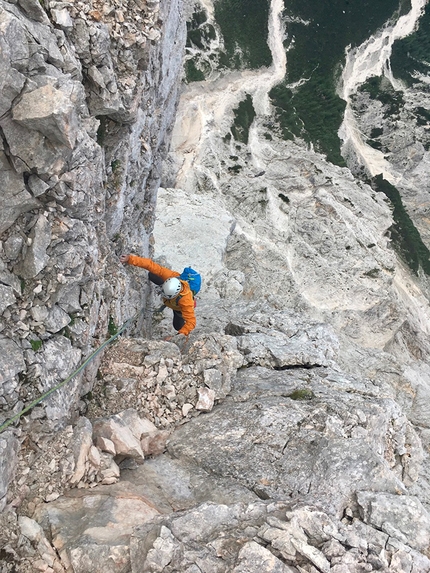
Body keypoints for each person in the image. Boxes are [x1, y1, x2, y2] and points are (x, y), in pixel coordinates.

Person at [120, 254, 196, 339]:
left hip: (178, 308)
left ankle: (181, 334)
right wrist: (130, 259)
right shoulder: (171, 276)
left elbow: (191, 322)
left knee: (178, 326)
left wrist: (176, 337)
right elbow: (150, 265)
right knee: (152, 274)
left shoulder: (186, 301)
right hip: (172, 298)